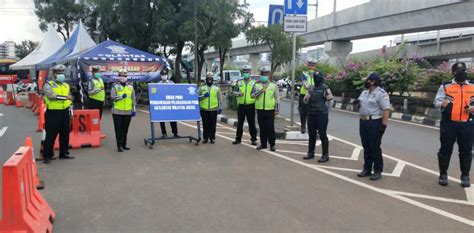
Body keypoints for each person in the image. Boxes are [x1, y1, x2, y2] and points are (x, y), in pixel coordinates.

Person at [434, 62, 474, 188]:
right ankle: (443, 174)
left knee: (466, 151)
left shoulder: (472, 86)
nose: (462, 73)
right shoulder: (446, 86)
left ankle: (465, 176)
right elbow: (436, 101)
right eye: (459, 71)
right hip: (449, 123)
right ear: (453, 73)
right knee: (445, 149)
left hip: (467, 124)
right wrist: (442, 103)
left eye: (463, 71)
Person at [356, 73, 391, 181]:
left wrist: (384, 126)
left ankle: (377, 170)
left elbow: (386, 109)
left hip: (375, 122)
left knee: (375, 147)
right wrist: (356, 103)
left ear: (373, 82)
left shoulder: (381, 93)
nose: (366, 82)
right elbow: (360, 104)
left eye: (368, 80)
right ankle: (367, 168)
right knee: (366, 146)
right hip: (363, 121)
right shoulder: (364, 92)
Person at [42, 64, 75, 164]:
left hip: (65, 111)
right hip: (53, 112)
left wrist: (70, 111)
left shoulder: (66, 85)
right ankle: (47, 156)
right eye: (58, 73)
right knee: (51, 135)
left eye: (62, 73)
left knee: (65, 133)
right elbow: (51, 96)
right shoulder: (48, 84)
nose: (61, 75)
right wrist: (65, 98)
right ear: (53, 74)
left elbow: (70, 97)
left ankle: (64, 153)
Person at [302, 71, 334, 162]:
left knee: (323, 134)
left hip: (321, 115)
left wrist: (327, 112)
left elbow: (330, 102)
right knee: (311, 134)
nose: (316, 79)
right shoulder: (311, 88)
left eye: (318, 77)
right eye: (315, 77)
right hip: (311, 114)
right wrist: (306, 98)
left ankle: (325, 155)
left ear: (321, 78)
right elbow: (305, 100)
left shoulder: (325, 88)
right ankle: (310, 153)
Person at [251, 73, 279, 151]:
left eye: (266, 74)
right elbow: (252, 95)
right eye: (262, 74)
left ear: (268, 75)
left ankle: (272, 144)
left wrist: (277, 110)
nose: (264, 76)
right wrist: (260, 91)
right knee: (262, 128)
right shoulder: (256, 85)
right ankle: (263, 144)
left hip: (270, 110)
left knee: (270, 128)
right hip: (260, 109)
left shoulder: (273, 85)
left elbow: (277, 98)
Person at [111, 69, 136, 152]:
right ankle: (119, 145)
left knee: (125, 129)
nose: (123, 77)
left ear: (127, 76)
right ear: (118, 76)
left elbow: (133, 99)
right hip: (117, 111)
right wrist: (121, 97)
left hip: (128, 111)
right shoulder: (115, 86)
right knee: (118, 129)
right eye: (121, 75)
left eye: (124, 75)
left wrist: (134, 109)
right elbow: (112, 97)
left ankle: (124, 144)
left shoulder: (130, 87)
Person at [232, 65, 257, 145]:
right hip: (241, 105)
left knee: (251, 123)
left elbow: (255, 93)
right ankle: (238, 139)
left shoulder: (254, 82)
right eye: (244, 71)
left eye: (247, 71)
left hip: (251, 105)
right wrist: (238, 93)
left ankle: (253, 139)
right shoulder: (239, 82)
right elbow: (234, 92)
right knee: (240, 123)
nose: (246, 73)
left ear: (250, 72)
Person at [199, 72, 222, 144]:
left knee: (212, 124)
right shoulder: (201, 87)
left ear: (212, 79)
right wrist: (203, 96)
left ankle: (212, 138)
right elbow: (197, 97)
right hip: (204, 109)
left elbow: (220, 99)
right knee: (205, 124)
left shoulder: (216, 88)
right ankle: (205, 138)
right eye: (208, 77)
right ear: (206, 78)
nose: (209, 79)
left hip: (213, 109)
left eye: (210, 78)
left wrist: (220, 108)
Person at [158, 69, 179, 137]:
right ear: (161, 76)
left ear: (167, 75)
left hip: (170, 103)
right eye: (162, 75)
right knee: (161, 119)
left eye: (165, 75)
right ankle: (164, 133)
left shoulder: (171, 83)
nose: (164, 76)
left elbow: (175, 91)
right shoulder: (158, 84)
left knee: (172, 119)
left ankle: (175, 133)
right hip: (162, 104)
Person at [298, 59, 317, 134]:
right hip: (304, 94)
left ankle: (311, 128)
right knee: (303, 112)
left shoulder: (317, 73)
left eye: (313, 65)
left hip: (314, 95)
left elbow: (320, 83)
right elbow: (305, 85)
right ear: (307, 66)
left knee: (313, 112)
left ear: (315, 66)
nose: (311, 67)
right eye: (310, 65)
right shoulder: (304, 73)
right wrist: (314, 87)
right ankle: (303, 126)